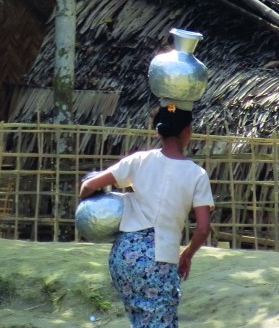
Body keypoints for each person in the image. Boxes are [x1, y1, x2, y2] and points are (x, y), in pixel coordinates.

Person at [79, 104, 214, 327]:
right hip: (159, 260)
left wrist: (91, 207)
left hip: (123, 257)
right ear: (188, 131)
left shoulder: (138, 160)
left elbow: (89, 186)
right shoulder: (196, 175)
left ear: (158, 131)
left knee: (140, 321)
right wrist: (187, 254)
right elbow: (203, 228)